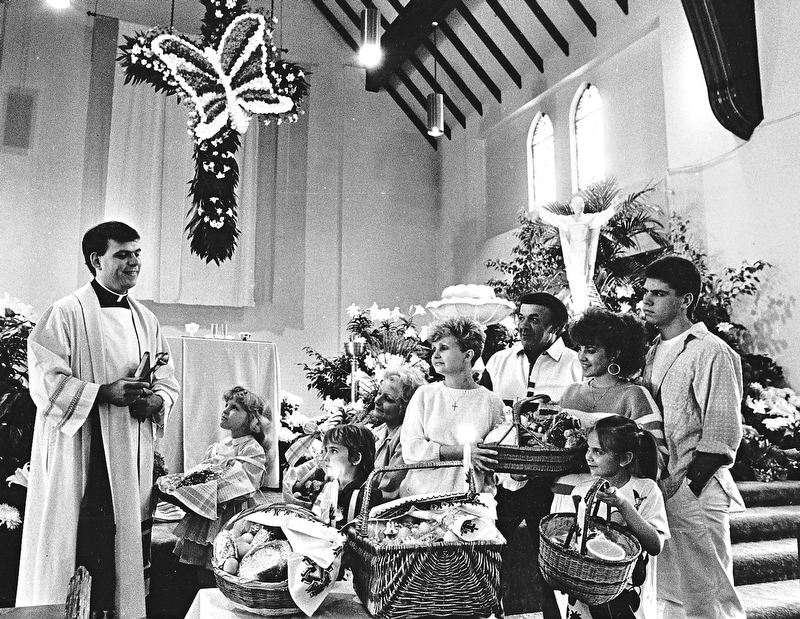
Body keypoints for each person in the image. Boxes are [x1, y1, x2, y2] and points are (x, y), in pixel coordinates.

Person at [17, 221, 180, 619]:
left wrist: (156, 401)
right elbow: (45, 380)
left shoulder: (146, 319)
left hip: (127, 451)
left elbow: (168, 380)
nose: (134, 263)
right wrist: (102, 393)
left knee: (121, 546)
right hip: (83, 449)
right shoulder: (66, 313)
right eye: (123, 254)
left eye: (137, 254)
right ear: (96, 260)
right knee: (81, 542)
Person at [641, 256, 745, 619]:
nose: (646, 301)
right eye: (645, 292)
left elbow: (722, 431)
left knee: (709, 598)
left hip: (695, 486)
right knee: (669, 596)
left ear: (686, 300)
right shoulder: (652, 352)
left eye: (659, 294)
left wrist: (688, 487)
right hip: (660, 488)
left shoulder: (710, 350)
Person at [480, 292, 581, 619]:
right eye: (521, 317)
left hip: (550, 480)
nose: (523, 325)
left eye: (534, 319)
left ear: (557, 326)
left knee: (552, 563)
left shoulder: (575, 364)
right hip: (504, 476)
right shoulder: (499, 361)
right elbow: (487, 413)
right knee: (488, 553)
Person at [551, 307, 668, 508]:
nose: (580, 356)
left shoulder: (634, 395)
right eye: (578, 348)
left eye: (590, 350)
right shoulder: (570, 393)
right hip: (564, 496)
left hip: (611, 500)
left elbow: (655, 459)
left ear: (614, 353)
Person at [557, 416, 669, 619]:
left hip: (626, 593)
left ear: (625, 459)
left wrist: (622, 505)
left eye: (598, 451)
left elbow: (655, 545)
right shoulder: (580, 490)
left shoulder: (646, 490)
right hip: (585, 595)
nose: (588, 457)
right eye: (588, 449)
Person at [400, 316, 504, 496]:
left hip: (470, 503)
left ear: (468, 355)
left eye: (444, 348)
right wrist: (463, 452)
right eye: (434, 349)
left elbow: (496, 460)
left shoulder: (491, 402)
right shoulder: (425, 395)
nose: (435, 355)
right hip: (420, 499)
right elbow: (411, 451)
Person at [172, 386, 271, 572]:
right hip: (209, 514)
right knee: (203, 563)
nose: (225, 410)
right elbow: (203, 478)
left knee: (228, 560)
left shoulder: (252, 449)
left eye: (234, 408)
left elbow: (245, 486)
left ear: (252, 419)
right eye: (226, 405)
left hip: (234, 515)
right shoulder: (217, 448)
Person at [371, 365, 427, 502]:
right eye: (379, 393)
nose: (376, 401)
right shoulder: (378, 431)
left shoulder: (406, 439)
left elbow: (387, 493)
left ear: (407, 407)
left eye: (388, 399)